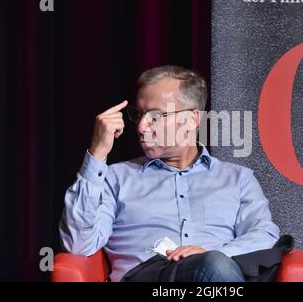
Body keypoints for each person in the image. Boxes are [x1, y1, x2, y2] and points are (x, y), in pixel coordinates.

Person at [59, 65, 280, 282]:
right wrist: (97, 153)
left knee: (214, 264)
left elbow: (264, 234)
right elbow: (78, 243)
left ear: (192, 119)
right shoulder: (115, 178)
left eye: (155, 116)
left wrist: (219, 254)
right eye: (139, 114)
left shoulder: (237, 179)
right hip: (147, 276)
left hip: (215, 276)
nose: (141, 127)